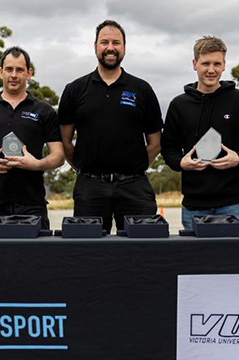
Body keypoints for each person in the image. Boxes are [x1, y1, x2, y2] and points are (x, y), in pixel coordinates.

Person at [58, 20, 163, 233]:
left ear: (124, 47)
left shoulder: (142, 89)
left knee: (143, 252)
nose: (110, 47)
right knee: (90, 254)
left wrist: (136, 168)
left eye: (116, 42)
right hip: (90, 188)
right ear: (95, 46)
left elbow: (155, 143)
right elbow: (65, 141)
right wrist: (82, 168)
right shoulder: (75, 89)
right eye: (104, 42)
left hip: (135, 186)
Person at [161, 36, 239, 230]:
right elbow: (168, 148)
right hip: (193, 206)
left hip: (234, 205)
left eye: (217, 63)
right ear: (194, 64)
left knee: (234, 261)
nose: (211, 69)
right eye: (205, 63)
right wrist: (180, 163)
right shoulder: (178, 105)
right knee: (196, 261)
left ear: (224, 65)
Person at [0, 46, 64, 234]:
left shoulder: (44, 111)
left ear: (29, 73)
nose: (14, 75)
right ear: (1, 72)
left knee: (34, 262)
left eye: (20, 70)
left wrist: (36, 164)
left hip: (33, 204)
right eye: (9, 69)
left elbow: (58, 156)